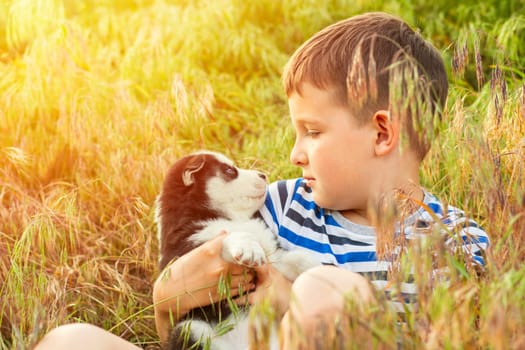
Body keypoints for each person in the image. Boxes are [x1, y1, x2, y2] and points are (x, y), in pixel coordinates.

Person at [35, 11, 489, 350]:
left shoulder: (458, 245)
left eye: (312, 132)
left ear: (382, 133)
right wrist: (167, 298)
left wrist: (292, 301)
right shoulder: (278, 206)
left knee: (327, 290)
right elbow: (189, 326)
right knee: (70, 341)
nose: (295, 154)